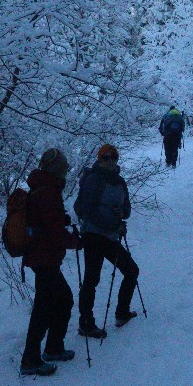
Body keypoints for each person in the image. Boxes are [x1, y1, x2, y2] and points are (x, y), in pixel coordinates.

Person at [20, 147, 82, 376]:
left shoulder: (42, 187)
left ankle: (52, 347)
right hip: (44, 256)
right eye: (64, 169)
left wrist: (60, 219)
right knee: (48, 306)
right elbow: (53, 232)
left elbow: (46, 222)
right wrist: (75, 242)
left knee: (59, 301)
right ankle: (31, 359)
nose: (66, 173)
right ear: (58, 170)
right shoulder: (49, 193)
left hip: (41, 256)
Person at [74, 144, 139, 338]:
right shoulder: (94, 179)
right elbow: (88, 210)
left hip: (109, 236)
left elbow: (127, 208)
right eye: (105, 157)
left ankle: (121, 313)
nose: (110, 161)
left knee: (130, 270)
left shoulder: (120, 182)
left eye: (113, 157)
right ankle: (87, 323)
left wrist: (122, 214)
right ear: (99, 159)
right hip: (94, 235)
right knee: (92, 279)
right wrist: (113, 225)